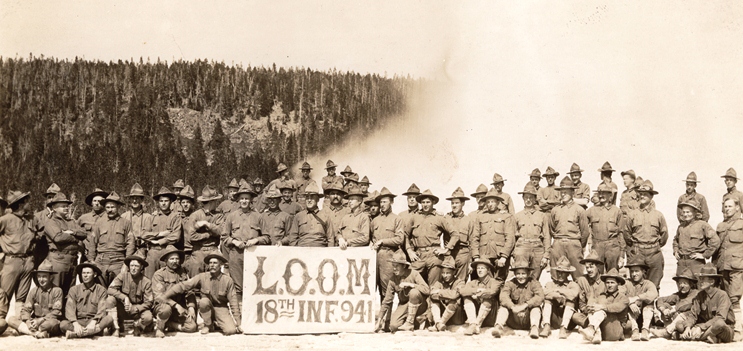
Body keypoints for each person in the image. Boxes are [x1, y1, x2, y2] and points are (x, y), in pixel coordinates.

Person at [159, 253, 242, 335]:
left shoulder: (228, 280)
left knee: (230, 331)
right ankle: (208, 325)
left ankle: (216, 324)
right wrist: (166, 296)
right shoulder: (202, 277)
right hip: (206, 308)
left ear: (221, 265)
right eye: (210, 263)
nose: (212, 265)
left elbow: (233, 302)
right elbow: (183, 285)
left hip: (221, 308)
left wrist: (238, 323)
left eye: (215, 263)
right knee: (203, 301)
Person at [222, 183, 269, 303]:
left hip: (253, 254)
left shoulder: (258, 216)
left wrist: (255, 240)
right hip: (236, 254)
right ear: (238, 200)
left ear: (251, 200)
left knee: (253, 285)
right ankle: (239, 313)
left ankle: (252, 314)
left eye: (247, 198)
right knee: (237, 286)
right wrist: (234, 242)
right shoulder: (231, 217)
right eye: (242, 198)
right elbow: (224, 237)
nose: (244, 201)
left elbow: (267, 237)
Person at [405, 190, 459, 286]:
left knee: (434, 286)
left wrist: (446, 250)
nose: (425, 205)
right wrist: (409, 250)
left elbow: (455, 234)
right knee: (410, 281)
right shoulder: (414, 217)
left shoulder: (439, 218)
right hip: (418, 255)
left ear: (433, 203)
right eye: (423, 202)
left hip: (434, 256)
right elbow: (405, 234)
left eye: (428, 202)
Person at [623, 180, 668, 288]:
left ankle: (652, 303)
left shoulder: (658, 215)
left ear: (651, 196)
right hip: (638, 252)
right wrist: (636, 246)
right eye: (641, 194)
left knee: (654, 282)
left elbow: (664, 234)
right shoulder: (632, 214)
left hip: (654, 252)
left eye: (646, 195)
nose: (642, 196)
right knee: (636, 282)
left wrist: (654, 246)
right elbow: (626, 233)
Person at [675, 263, 736, 344]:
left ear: (712, 282)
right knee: (680, 325)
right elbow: (693, 315)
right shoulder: (700, 295)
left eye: (703, 279)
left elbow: (720, 317)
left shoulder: (722, 295)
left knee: (719, 324)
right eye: (700, 279)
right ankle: (707, 337)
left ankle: (698, 337)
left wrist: (701, 327)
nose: (700, 282)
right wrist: (688, 327)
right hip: (706, 327)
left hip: (722, 328)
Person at [0, 190, 39, 313]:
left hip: (28, 262)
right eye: (28, 202)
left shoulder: (32, 219)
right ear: (21, 204)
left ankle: (17, 323)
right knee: (4, 294)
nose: (30, 204)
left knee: (22, 297)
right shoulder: (5, 220)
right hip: (11, 261)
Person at [42, 192, 87, 295]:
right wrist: (75, 238)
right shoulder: (51, 222)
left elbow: (84, 233)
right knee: (55, 291)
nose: (66, 208)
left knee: (69, 292)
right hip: (58, 260)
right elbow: (58, 238)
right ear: (54, 207)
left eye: (67, 206)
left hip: (72, 261)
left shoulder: (71, 222)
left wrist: (72, 232)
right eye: (63, 206)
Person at [6, 261, 63, 338]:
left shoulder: (57, 290)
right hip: (34, 321)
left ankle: (26, 330)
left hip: (48, 321)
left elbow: (56, 312)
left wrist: (41, 320)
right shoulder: (34, 291)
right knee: (11, 319)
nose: (41, 279)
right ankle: (37, 333)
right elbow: (26, 309)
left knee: (53, 323)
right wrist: (28, 320)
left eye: (44, 277)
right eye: (39, 276)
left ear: (51, 277)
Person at [376, 251, 430, 333]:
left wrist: (411, 285)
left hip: (420, 305)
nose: (394, 268)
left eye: (397, 266)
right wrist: (379, 320)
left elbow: (427, 290)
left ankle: (410, 322)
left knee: (414, 292)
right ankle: (415, 322)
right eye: (393, 266)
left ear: (404, 266)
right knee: (393, 326)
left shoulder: (414, 274)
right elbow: (387, 300)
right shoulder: (392, 279)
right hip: (404, 305)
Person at [549, 176, 590, 281]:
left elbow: (585, 232)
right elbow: (552, 228)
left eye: (566, 192)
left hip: (574, 244)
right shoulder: (555, 210)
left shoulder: (579, 210)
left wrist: (579, 245)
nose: (563, 194)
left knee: (578, 275)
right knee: (556, 274)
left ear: (572, 193)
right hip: (558, 243)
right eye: (561, 192)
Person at [91, 192, 136, 285]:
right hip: (101, 261)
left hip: (118, 261)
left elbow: (130, 243)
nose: (110, 210)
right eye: (108, 207)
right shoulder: (99, 222)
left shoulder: (126, 223)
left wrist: (126, 264)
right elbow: (92, 243)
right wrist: (92, 261)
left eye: (113, 207)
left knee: (117, 289)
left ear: (118, 207)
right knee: (100, 289)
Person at [151, 246, 197, 337]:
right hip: (163, 306)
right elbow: (159, 296)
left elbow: (190, 291)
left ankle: (170, 324)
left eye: (177, 259)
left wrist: (191, 307)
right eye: (172, 259)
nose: (175, 261)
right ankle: (160, 328)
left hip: (179, 308)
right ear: (166, 261)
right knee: (165, 310)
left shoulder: (183, 273)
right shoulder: (159, 274)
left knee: (192, 327)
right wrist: (176, 305)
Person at [492, 259, 544, 339]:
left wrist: (525, 305)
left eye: (523, 274)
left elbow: (540, 296)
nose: (520, 276)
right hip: (513, 318)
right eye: (518, 274)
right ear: (515, 274)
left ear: (528, 273)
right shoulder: (509, 283)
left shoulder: (534, 283)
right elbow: (503, 297)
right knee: (503, 307)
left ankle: (534, 328)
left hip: (528, 319)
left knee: (536, 308)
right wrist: (513, 307)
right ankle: (498, 327)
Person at [61, 262, 114, 339]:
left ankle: (77, 334)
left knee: (109, 319)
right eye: (83, 273)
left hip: (94, 321)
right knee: (63, 324)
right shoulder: (74, 289)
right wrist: (75, 324)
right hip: (79, 321)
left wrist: (94, 322)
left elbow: (102, 309)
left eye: (88, 273)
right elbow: (69, 308)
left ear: (94, 274)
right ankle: (95, 332)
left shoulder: (101, 290)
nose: (85, 275)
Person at [472, 189, 515, 281]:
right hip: (484, 256)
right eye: (488, 202)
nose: (490, 204)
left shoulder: (506, 217)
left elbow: (510, 238)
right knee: (485, 282)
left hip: (500, 257)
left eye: (492, 202)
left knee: (499, 282)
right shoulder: (480, 217)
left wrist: (504, 257)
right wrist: (476, 256)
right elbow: (475, 238)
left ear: (498, 202)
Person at [715, 198, 743, 340]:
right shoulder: (721, 226)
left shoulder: (742, 224)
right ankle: (730, 327)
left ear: (737, 208)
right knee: (725, 297)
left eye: (730, 206)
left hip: (737, 267)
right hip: (722, 266)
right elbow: (716, 248)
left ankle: (738, 329)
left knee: (734, 297)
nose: (727, 209)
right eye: (725, 206)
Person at [370, 188, 405, 301]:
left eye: (385, 201)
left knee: (386, 289)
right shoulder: (375, 220)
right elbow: (371, 237)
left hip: (388, 256)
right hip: (375, 256)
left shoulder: (397, 219)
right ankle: (375, 317)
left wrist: (383, 241)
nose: (382, 204)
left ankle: (387, 318)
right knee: (371, 286)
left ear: (391, 202)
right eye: (381, 202)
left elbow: (400, 239)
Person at [106, 255, 153, 337]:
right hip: (124, 308)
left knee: (148, 318)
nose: (133, 268)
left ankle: (138, 325)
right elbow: (110, 289)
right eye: (131, 266)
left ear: (141, 267)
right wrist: (125, 298)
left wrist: (137, 308)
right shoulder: (123, 276)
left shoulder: (146, 281)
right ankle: (115, 327)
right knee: (110, 300)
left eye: (136, 266)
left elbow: (149, 302)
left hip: (137, 310)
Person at [579, 268, 630, 344]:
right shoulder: (602, 296)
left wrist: (601, 307)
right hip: (604, 328)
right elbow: (592, 304)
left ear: (618, 284)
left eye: (612, 283)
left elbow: (617, 307)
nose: (609, 285)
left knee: (599, 308)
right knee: (593, 309)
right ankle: (596, 333)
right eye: (607, 283)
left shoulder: (623, 298)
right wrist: (591, 307)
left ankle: (592, 330)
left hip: (615, 329)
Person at [142, 187, 183, 278]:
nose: (163, 203)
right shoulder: (152, 217)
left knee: (168, 279)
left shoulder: (175, 217)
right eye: (161, 201)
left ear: (171, 201)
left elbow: (176, 236)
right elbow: (144, 234)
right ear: (158, 202)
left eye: (166, 201)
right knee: (149, 278)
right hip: (153, 252)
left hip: (168, 252)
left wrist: (158, 241)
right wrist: (160, 234)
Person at [512, 184, 550, 281]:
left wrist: (546, 255)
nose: (528, 200)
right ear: (523, 199)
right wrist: (513, 254)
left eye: (531, 197)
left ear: (535, 199)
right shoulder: (517, 216)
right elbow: (512, 237)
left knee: (535, 277)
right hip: (522, 247)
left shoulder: (542, 216)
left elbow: (546, 236)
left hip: (537, 247)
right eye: (526, 197)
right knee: (521, 275)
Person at [585, 183, 625, 272]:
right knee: (596, 275)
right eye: (599, 193)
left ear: (610, 195)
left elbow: (621, 234)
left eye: (604, 193)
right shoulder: (591, 211)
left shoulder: (617, 211)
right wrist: (589, 240)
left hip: (612, 247)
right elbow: (582, 226)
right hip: (597, 247)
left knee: (612, 275)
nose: (601, 195)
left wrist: (622, 255)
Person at [674, 199, 719, 276]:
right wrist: (675, 251)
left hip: (696, 263)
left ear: (695, 212)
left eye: (688, 212)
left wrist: (704, 255)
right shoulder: (681, 227)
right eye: (684, 212)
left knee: (698, 286)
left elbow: (715, 240)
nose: (685, 214)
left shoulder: (703, 225)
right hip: (682, 264)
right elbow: (675, 240)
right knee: (682, 286)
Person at [540, 256, 580, 339]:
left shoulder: (573, 284)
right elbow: (544, 293)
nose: (560, 274)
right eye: (558, 272)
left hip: (569, 322)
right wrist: (558, 296)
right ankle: (546, 326)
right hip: (554, 318)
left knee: (570, 302)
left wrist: (557, 291)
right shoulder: (550, 284)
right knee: (547, 299)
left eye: (563, 272)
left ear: (568, 274)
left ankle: (563, 328)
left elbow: (573, 295)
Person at [653, 268, 699, 339]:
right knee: (665, 305)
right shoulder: (678, 295)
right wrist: (663, 310)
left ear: (691, 284)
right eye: (680, 283)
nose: (682, 285)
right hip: (677, 320)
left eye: (685, 283)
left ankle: (668, 332)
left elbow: (686, 303)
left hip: (689, 320)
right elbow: (660, 299)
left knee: (685, 313)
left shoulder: (696, 293)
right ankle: (671, 330)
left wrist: (674, 309)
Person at [460, 258, 501, 335]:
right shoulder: (473, 282)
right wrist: (477, 289)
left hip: (490, 315)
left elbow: (492, 292)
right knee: (466, 298)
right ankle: (473, 324)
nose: (480, 270)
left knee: (487, 298)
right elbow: (463, 291)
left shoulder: (494, 282)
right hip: (476, 315)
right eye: (478, 268)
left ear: (488, 270)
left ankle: (476, 325)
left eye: (482, 268)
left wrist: (478, 295)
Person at [284, 182, 333, 247]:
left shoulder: (325, 216)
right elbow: (293, 238)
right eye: (307, 197)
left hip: (320, 251)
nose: (309, 200)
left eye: (312, 197)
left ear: (318, 199)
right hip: (302, 250)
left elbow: (330, 239)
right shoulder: (298, 216)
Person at [624, 257, 659, 341]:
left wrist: (637, 298)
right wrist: (630, 303)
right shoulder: (626, 283)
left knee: (649, 304)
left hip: (645, 318)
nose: (634, 274)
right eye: (632, 271)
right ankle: (635, 330)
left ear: (643, 272)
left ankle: (645, 330)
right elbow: (620, 295)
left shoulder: (648, 284)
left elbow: (653, 294)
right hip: (631, 319)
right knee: (627, 305)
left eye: (637, 271)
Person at [427, 256, 464, 332]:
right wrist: (447, 295)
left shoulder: (460, 282)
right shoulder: (439, 282)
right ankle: (438, 323)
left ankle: (439, 324)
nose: (445, 276)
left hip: (456, 316)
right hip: (443, 312)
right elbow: (432, 294)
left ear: (454, 272)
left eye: (448, 273)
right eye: (443, 273)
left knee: (454, 301)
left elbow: (454, 295)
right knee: (433, 300)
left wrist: (440, 292)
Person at [444, 187, 473, 282]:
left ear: (463, 204)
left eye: (457, 203)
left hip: (463, 254)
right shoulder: (446, 218)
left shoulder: (468, 220)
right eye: (452, 203)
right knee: (447, 281)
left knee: (461, 282)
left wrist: (470, 262)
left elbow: (472, 242)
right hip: (449, 254)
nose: (454, 205)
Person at [121, 183, 154, 259]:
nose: (135, 201)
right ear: (130, 200)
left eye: (137, 198)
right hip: (126, 251)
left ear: (142, 200)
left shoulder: (149, 217)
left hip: (143, 251)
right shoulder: (123, 216)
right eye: (133, 198)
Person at [77, 188, 109, 263]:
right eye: (94, 201)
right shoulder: (83, 218)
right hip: (86, 255)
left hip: (103, 254)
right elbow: (77, 234)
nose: (97, 203)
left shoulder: (109, 217)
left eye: (100, 201)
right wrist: (80, 249)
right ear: (91, 203)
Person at [320, 180, 349, 246]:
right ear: (329, 195)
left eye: (338, 194)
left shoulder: (348, 212)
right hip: (326, 246)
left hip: (343, 246)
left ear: (342, 196)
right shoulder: (322, 212)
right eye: (333, 194)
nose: (335, 196)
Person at [177, 185, 196, 255]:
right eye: (183, 202)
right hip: (179, 251)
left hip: (193, 251)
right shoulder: (176, 217)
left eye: (188, 202)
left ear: (192, 203)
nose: (185, 205)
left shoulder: (196, 217)